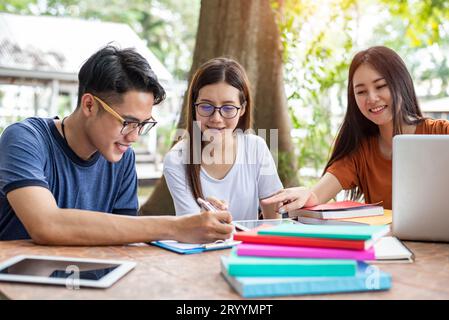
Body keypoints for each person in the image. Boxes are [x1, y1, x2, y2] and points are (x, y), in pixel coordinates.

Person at [0, 45, 233, 245]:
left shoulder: (122, 158)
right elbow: (46, 224)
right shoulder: (25, 139)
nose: (134, 137)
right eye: (128, 122)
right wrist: (176, 227)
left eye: (142, 124)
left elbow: (125, 233)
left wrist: (195, 221)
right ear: (90, 105)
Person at [262, 46, 449, 212]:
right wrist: (306, 195)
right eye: (361, 91)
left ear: (401, 84)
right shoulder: (360, 152)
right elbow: (316, 195)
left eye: (381, 86)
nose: (372, 98)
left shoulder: (441, 133)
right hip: (385, 247)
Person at [163, 57, 283, 220]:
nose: (216, 118)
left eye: (228, 108)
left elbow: (273, 221)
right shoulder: (176, 160)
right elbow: (189, 230)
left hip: (249, 245)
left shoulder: (256, 148)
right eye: (206, 106)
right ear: (194, 106)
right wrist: (205, 218)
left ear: (242, 109)